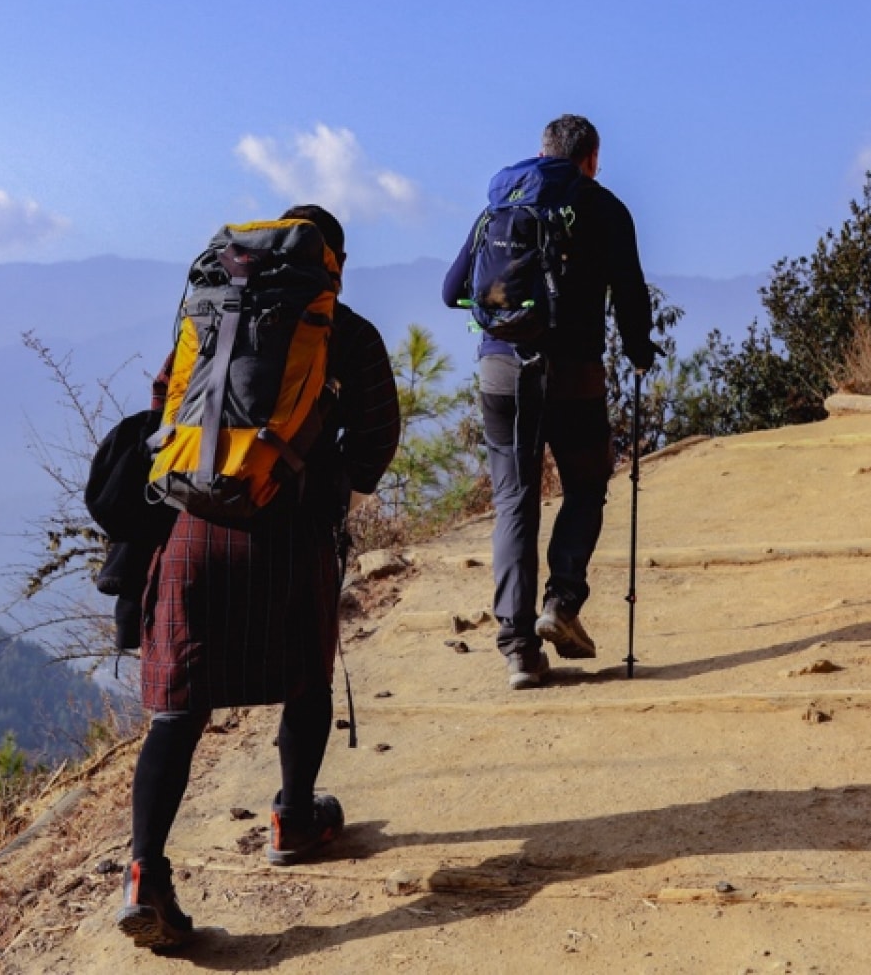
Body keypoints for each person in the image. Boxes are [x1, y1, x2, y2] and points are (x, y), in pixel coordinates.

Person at [115, 205, 401, 951]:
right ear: (331, 261)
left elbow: (164, 409)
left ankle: (145, 874)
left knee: (178, 709)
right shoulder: (347, 331)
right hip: (288, 530)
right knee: (305, 675)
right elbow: (374, 447)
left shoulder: (211, 313)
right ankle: (293, 817)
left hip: (192, 533)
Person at [441, 114, 656, 690]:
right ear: (589, 158)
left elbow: (450, 290)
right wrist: (639, 351)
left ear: (541, 152)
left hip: (501, 371)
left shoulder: (501, 204)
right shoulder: (604, 207)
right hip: (574, 375)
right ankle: (561, 602)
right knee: (585, 485)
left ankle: (518, 651)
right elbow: (631, 293)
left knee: (515, 500)